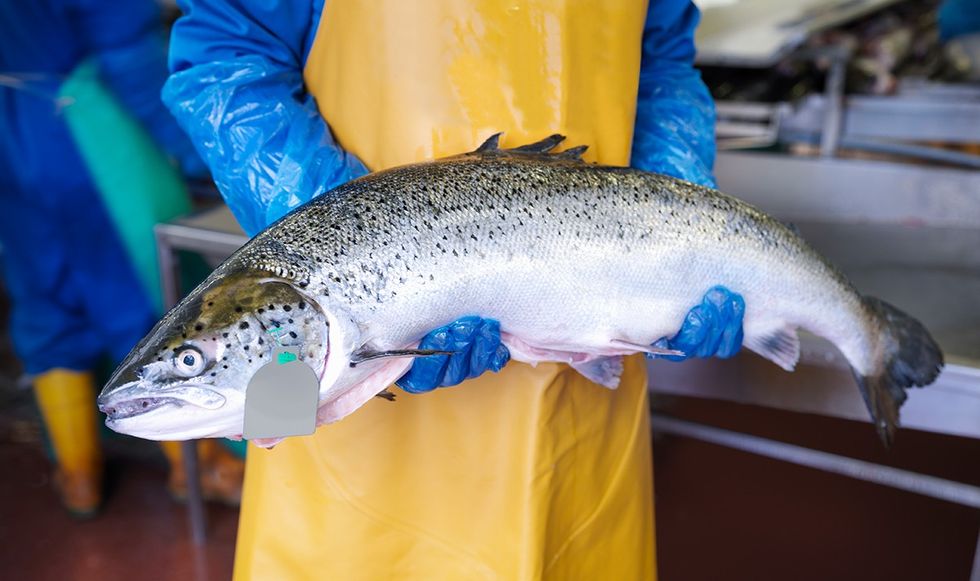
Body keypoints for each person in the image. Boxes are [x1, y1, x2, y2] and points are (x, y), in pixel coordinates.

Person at [164, 1, 743, 577]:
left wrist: (680, 225)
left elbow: (662, 62)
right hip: (350, 399)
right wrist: (354, 254)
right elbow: (226, 57)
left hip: (588, 367)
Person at [0, 0, 242, 516]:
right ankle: (194, 464)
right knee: (132, 295)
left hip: (10, 131)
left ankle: (78, 473)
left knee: (43, 296)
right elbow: (132, 63)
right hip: (79, 128)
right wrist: (202, 156)